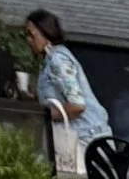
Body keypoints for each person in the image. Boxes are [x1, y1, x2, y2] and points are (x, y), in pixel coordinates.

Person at [22, 8, 107, 153]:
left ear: (46, 34)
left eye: (31, 35)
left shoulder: (58, 61)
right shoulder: (49, 60)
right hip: (83, 135)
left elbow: (77, 106)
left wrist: (44, 115)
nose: (28, 40)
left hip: (85, 138)